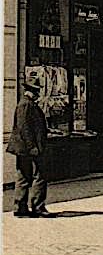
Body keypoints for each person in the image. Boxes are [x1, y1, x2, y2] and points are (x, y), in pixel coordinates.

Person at [7, 76, 50, 217]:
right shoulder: (26, 104)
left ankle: (21, 207)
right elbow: (24, 128)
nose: (37, 94)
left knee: (24, 176)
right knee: (40, 175)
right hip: (29, 147)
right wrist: (33, 147)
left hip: (25, 147)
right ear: (30, 91)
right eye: (36, 91)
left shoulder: (27, 103)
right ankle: (37, 207)